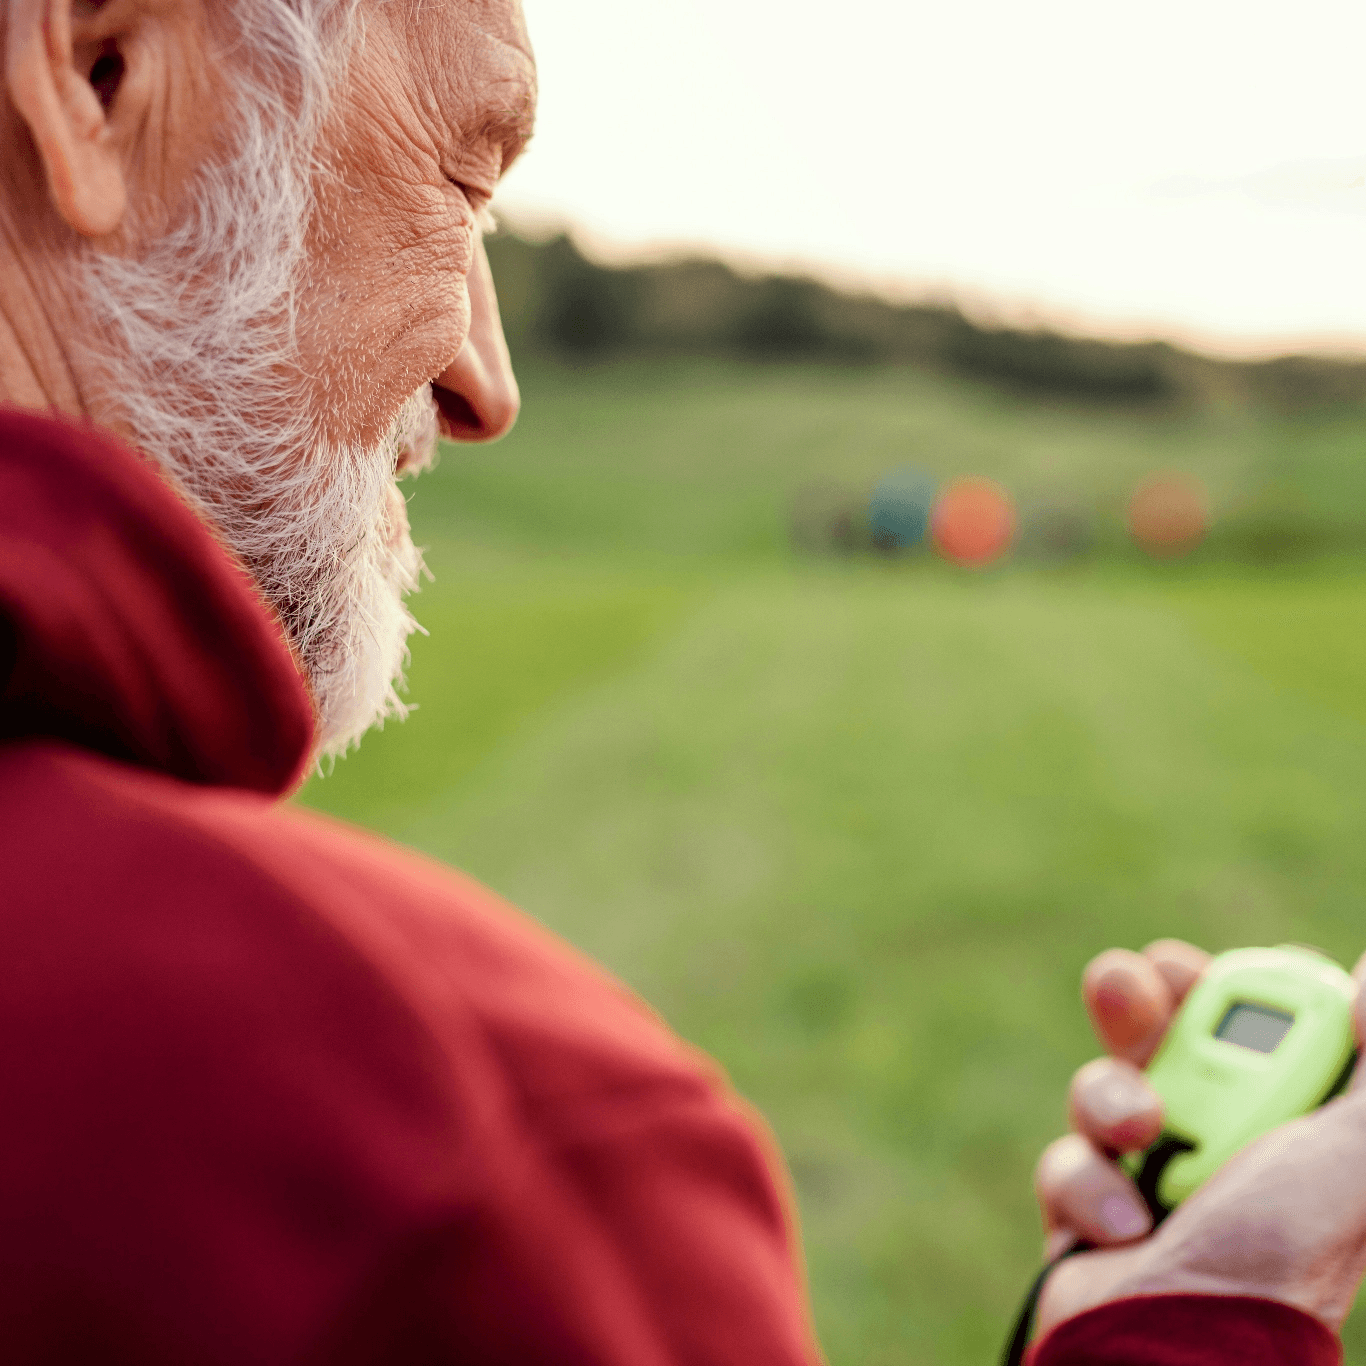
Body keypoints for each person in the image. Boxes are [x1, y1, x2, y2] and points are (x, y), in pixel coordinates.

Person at [0, 1, 1359, 1361]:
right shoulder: (457, 1165)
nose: (487, 382)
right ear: (97, 75)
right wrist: (1200, 1327)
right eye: (461, 182)